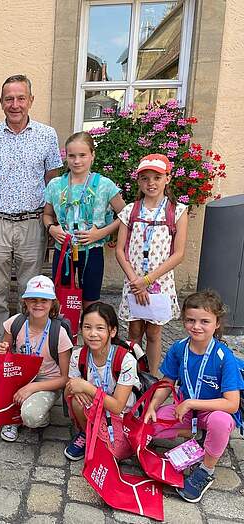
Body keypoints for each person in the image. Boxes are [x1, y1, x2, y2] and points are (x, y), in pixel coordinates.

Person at [0, 74, 63, 342]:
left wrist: (51, 221)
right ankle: (2, 342)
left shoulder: (47, 135)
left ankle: (26, 340)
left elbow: (53, 180)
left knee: (30, 290)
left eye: (21, 98)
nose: (15, 104)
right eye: (9, 99)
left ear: (30, 100)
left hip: (33, 222)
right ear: (1, 102)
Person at [144, 291, 241, 503]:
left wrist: (190, 402)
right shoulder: (179, 349)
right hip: (187, 413)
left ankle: (206, 470)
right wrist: (152, 406)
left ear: (216, 324)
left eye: (204, 321)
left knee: (220, 422)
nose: (196, 326)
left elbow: (232, 404)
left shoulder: (225, 358)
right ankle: (197, 435)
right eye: (190, 320)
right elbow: (167, 382)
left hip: (213, 411)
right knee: (153, 425)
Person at [115, 153, 188, 372]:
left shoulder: (177, 210)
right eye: (145, 178)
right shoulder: (130, 210)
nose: (151, 183)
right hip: (133, 281)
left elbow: (179, 253)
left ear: (168, 178)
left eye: (157, 177)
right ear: (138, 181)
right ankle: (132, 376)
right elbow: (120, 250)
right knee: (134, 332)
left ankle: (152, 377)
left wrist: (147, 280)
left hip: (159, 282)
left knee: (154, 333)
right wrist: (136, 281)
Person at [43, 132, 126, 310]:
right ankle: (65, 334)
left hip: (92, 250)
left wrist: (101, 233)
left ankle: (89, 333)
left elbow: (126, 215)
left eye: (82, 155)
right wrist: (51, 228)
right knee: (63, 298)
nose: (77, 161)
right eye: (71, 156)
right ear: (66, 157)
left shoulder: (105, 185)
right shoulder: (56, 185)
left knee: (90, 299)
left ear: (92, 155)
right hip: (63, 250)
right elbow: (47, 215)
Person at [0, 275, 73, 442]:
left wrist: (32, 388)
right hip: (21, 375)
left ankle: (37, 414)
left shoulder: (60, 333)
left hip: (46, 381)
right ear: (25, 302)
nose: (38, 304)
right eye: (33, 300)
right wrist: (1, 350)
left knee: (32, 417)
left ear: (52, 303)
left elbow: (65, 378)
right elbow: (3, 356)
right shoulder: (15, 323)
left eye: (44, 300)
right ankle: (11, 415)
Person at [64, 302, 142, 461]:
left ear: (112, 331)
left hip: (122, 413)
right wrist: (75, 389)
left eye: (100, 328)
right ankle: (87, 433)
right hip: (96, 405)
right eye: (87, 327)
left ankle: (104, 434)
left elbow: (117, 405)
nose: (92, 334)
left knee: (115, 454)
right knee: (76, 399)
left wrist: (85, 386)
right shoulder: (79, 356)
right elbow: (68, 391)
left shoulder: (125, 359)